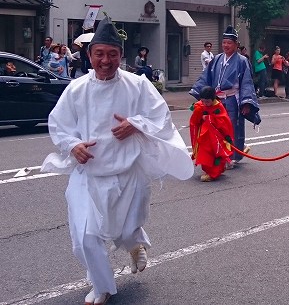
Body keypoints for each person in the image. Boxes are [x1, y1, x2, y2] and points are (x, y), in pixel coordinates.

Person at [42, 16, 193, 305]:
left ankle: (135, 245)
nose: (106, 60)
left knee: (125, 227)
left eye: (112, 54)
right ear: (90, 55)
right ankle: (102, 286)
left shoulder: (138, 85)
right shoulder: (77, 89)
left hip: (128, 171)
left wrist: (136, 124)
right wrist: (73, 145)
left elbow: (160, 117)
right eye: (100, 54)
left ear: (121, 56)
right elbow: (59, 124)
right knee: (85, 238)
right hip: (88, 174)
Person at [190, 26, 260, 166]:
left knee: (232, 127)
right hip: (217, 100)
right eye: (224, 42)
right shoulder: (216, 59)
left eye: (229, 43)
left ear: (235, 44)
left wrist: (246, 103)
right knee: (216, 127)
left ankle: (233, 156)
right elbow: (206, 77)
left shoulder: (242, 60)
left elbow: (246, 82)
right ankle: (219, 154)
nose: (226, 45)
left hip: (233, 99)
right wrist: (200, 92)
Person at [189, 86, 234, 182]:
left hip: (215, 137)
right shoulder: (201, 105)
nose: (205, 103)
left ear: (213, 99)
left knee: (214, 154)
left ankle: (213, 173)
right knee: (205, 153)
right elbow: (195, 120)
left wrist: (209, 118)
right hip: (204, 135)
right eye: (203, 101)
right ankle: (210, 171)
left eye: (207, 102)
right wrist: (198, 111)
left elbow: (223, 121)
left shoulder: (218, 107)